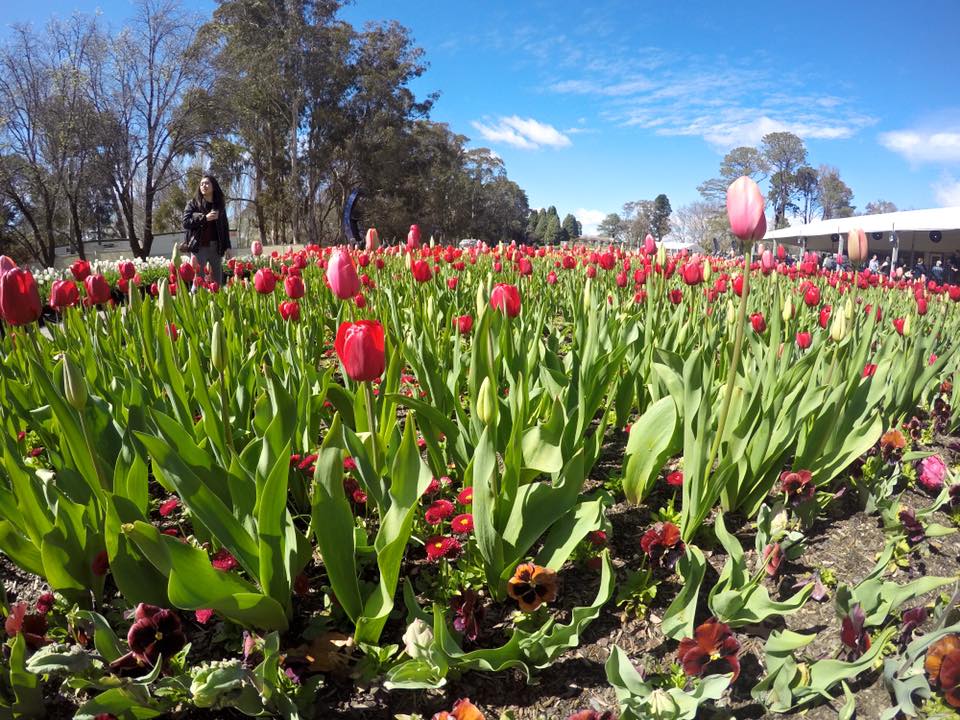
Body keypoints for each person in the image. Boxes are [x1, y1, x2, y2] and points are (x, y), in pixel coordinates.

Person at [182, 175, 230, 285]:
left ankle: (216, 301)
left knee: (218, 282)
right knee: (198, 281)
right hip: (199, 247)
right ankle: (197, 301)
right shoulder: (193, 204)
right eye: (202, 184)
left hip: (216, 247)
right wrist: (204, 218)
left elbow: (225, 227)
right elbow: (185, 222)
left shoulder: (219, 206)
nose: (204, 186)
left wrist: (227, 246)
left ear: (214, 186)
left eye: (207, 183)